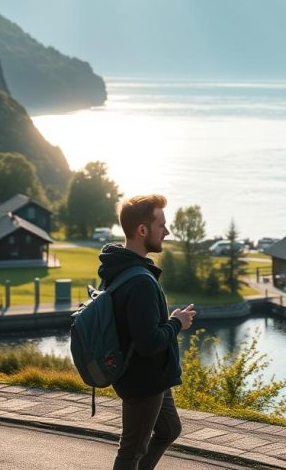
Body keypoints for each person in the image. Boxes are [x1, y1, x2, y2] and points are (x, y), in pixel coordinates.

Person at [99, 194, 196, 470]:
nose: (167, 231)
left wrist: (170, 320)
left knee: (168, 429)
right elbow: (147, 342)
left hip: (150, 376)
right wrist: (177, 323)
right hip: (143, 379)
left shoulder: (119, 267)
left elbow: (135, 326)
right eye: (161, 225)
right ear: (142, 230)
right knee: (132, 450)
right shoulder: (140, 280)